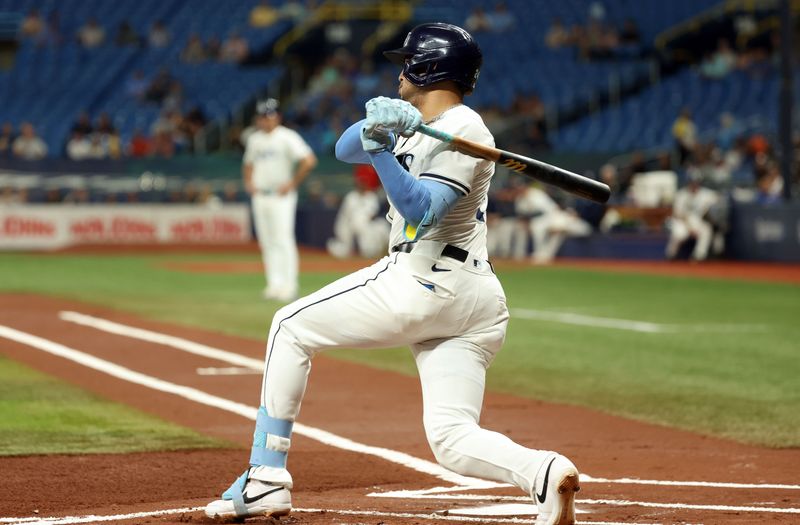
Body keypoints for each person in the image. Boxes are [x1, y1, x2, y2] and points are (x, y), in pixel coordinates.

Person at [204, 23, 580, 525]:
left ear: (427, 69)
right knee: (450, 437)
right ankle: (544, 472)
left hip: (423, 281)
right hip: (473, 300)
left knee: (288, 327)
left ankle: (265, 478)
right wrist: (377, 128)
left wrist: (382, 147)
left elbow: (420, 209)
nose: (400, 71)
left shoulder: (466, 129)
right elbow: (342, 150)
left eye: (408, 63)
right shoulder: (422, 121)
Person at [244, 98, 317, 301]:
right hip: (260, 194)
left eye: (269, 116)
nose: (265, 120)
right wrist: (248, 181)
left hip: (281, 195)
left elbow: (309, 160)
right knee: (267, 241)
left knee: (283, 240)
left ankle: (289, 285)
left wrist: (292, 183)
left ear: (277, 117)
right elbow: (248, 163)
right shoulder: (254, 139)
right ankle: (274, 284)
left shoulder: (286, 137)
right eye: (262, 116)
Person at [326, 164, 389, 258]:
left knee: (375, 227)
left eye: (363, 183)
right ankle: (337, 247)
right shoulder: (351, 196)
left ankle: (371, 251)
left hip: (365, 224)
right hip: (346, 223)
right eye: (360, 183)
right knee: (343, 251)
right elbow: (346, 214)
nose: (361, 185)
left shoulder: (371, 196)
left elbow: (372, 214)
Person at [665, 174, 720, 261]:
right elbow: (677, 214)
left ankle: (698, 257)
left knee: (706, 230)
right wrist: (690, 228)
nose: (694, 185)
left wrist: (709, 213)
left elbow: (719, 198)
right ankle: (671, 255)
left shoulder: (706, 194)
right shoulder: (681, 194)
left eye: (696, 182)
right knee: (679, 234)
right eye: (692, 182)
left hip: (698, 221)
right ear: (688, 183)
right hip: (683, 222)